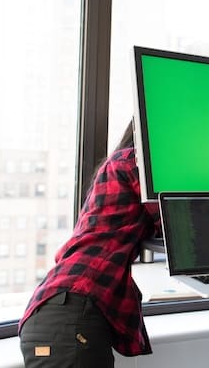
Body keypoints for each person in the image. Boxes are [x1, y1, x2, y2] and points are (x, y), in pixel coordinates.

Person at [19, 121, 161, 367]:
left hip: (60, 313)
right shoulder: (135, 161)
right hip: (69, 315)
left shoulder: (117, 165)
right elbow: (174, 222)